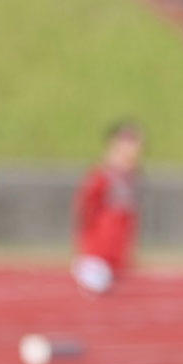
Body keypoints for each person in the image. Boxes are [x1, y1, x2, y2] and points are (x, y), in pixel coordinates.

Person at [71, 120, 143, 295]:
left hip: (115, 258)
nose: (136, 148)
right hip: (97, 258)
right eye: (130, 142)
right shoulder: (102, 176)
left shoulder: (130, 177)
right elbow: (85, 210)